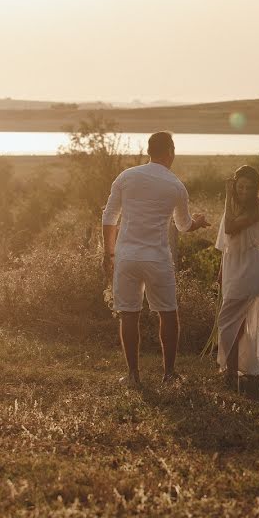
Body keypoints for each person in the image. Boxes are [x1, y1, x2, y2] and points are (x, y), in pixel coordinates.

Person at [102, 131, 210, 388]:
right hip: (157, 259)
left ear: (149, 150)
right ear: (171, 151)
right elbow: (183, 226)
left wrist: (109, 254)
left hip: (126, 256)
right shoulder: (175, 185)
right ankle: (169, 374)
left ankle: (132, 376)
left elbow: (109, 217)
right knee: (168, 314)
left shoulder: (126, 177)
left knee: (128, 314)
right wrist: (199, 222)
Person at [213, 165, 259, 389]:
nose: (243, 191)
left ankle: (229, 372)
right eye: (239, 187)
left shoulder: (258, 209)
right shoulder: (233, 205)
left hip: (249, 267)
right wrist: (221, 272)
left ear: (257, 189)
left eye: (249, 188)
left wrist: (227, 195)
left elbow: (229, 228)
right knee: (236, 323)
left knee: (226, 321)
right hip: (231, 266)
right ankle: (234, 369)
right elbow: (228, 244)